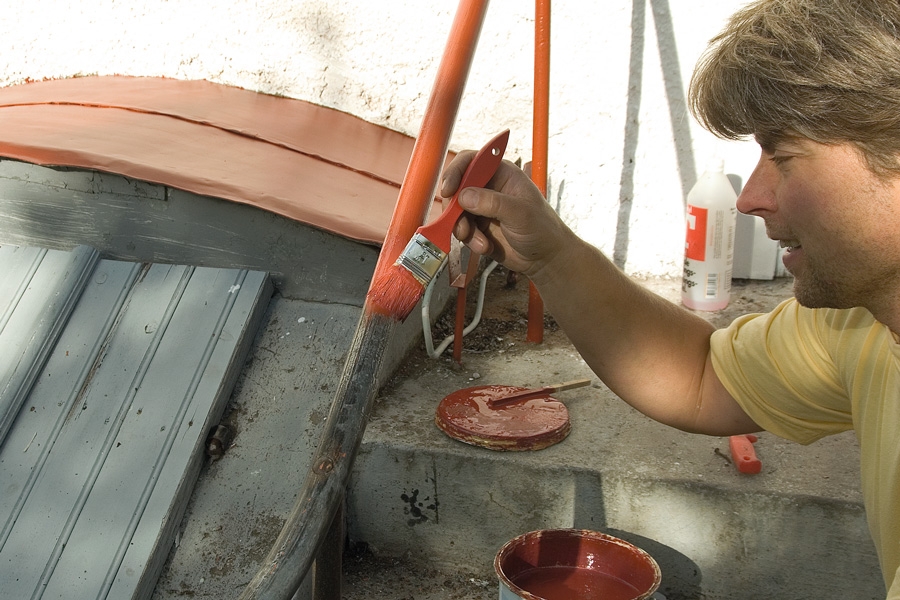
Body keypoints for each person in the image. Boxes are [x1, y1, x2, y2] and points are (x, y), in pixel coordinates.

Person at [442, 0, 900, 596]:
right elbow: (704, 377)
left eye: (784, 158)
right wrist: (549, 254)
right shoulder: (862, 324)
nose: (750, 197)